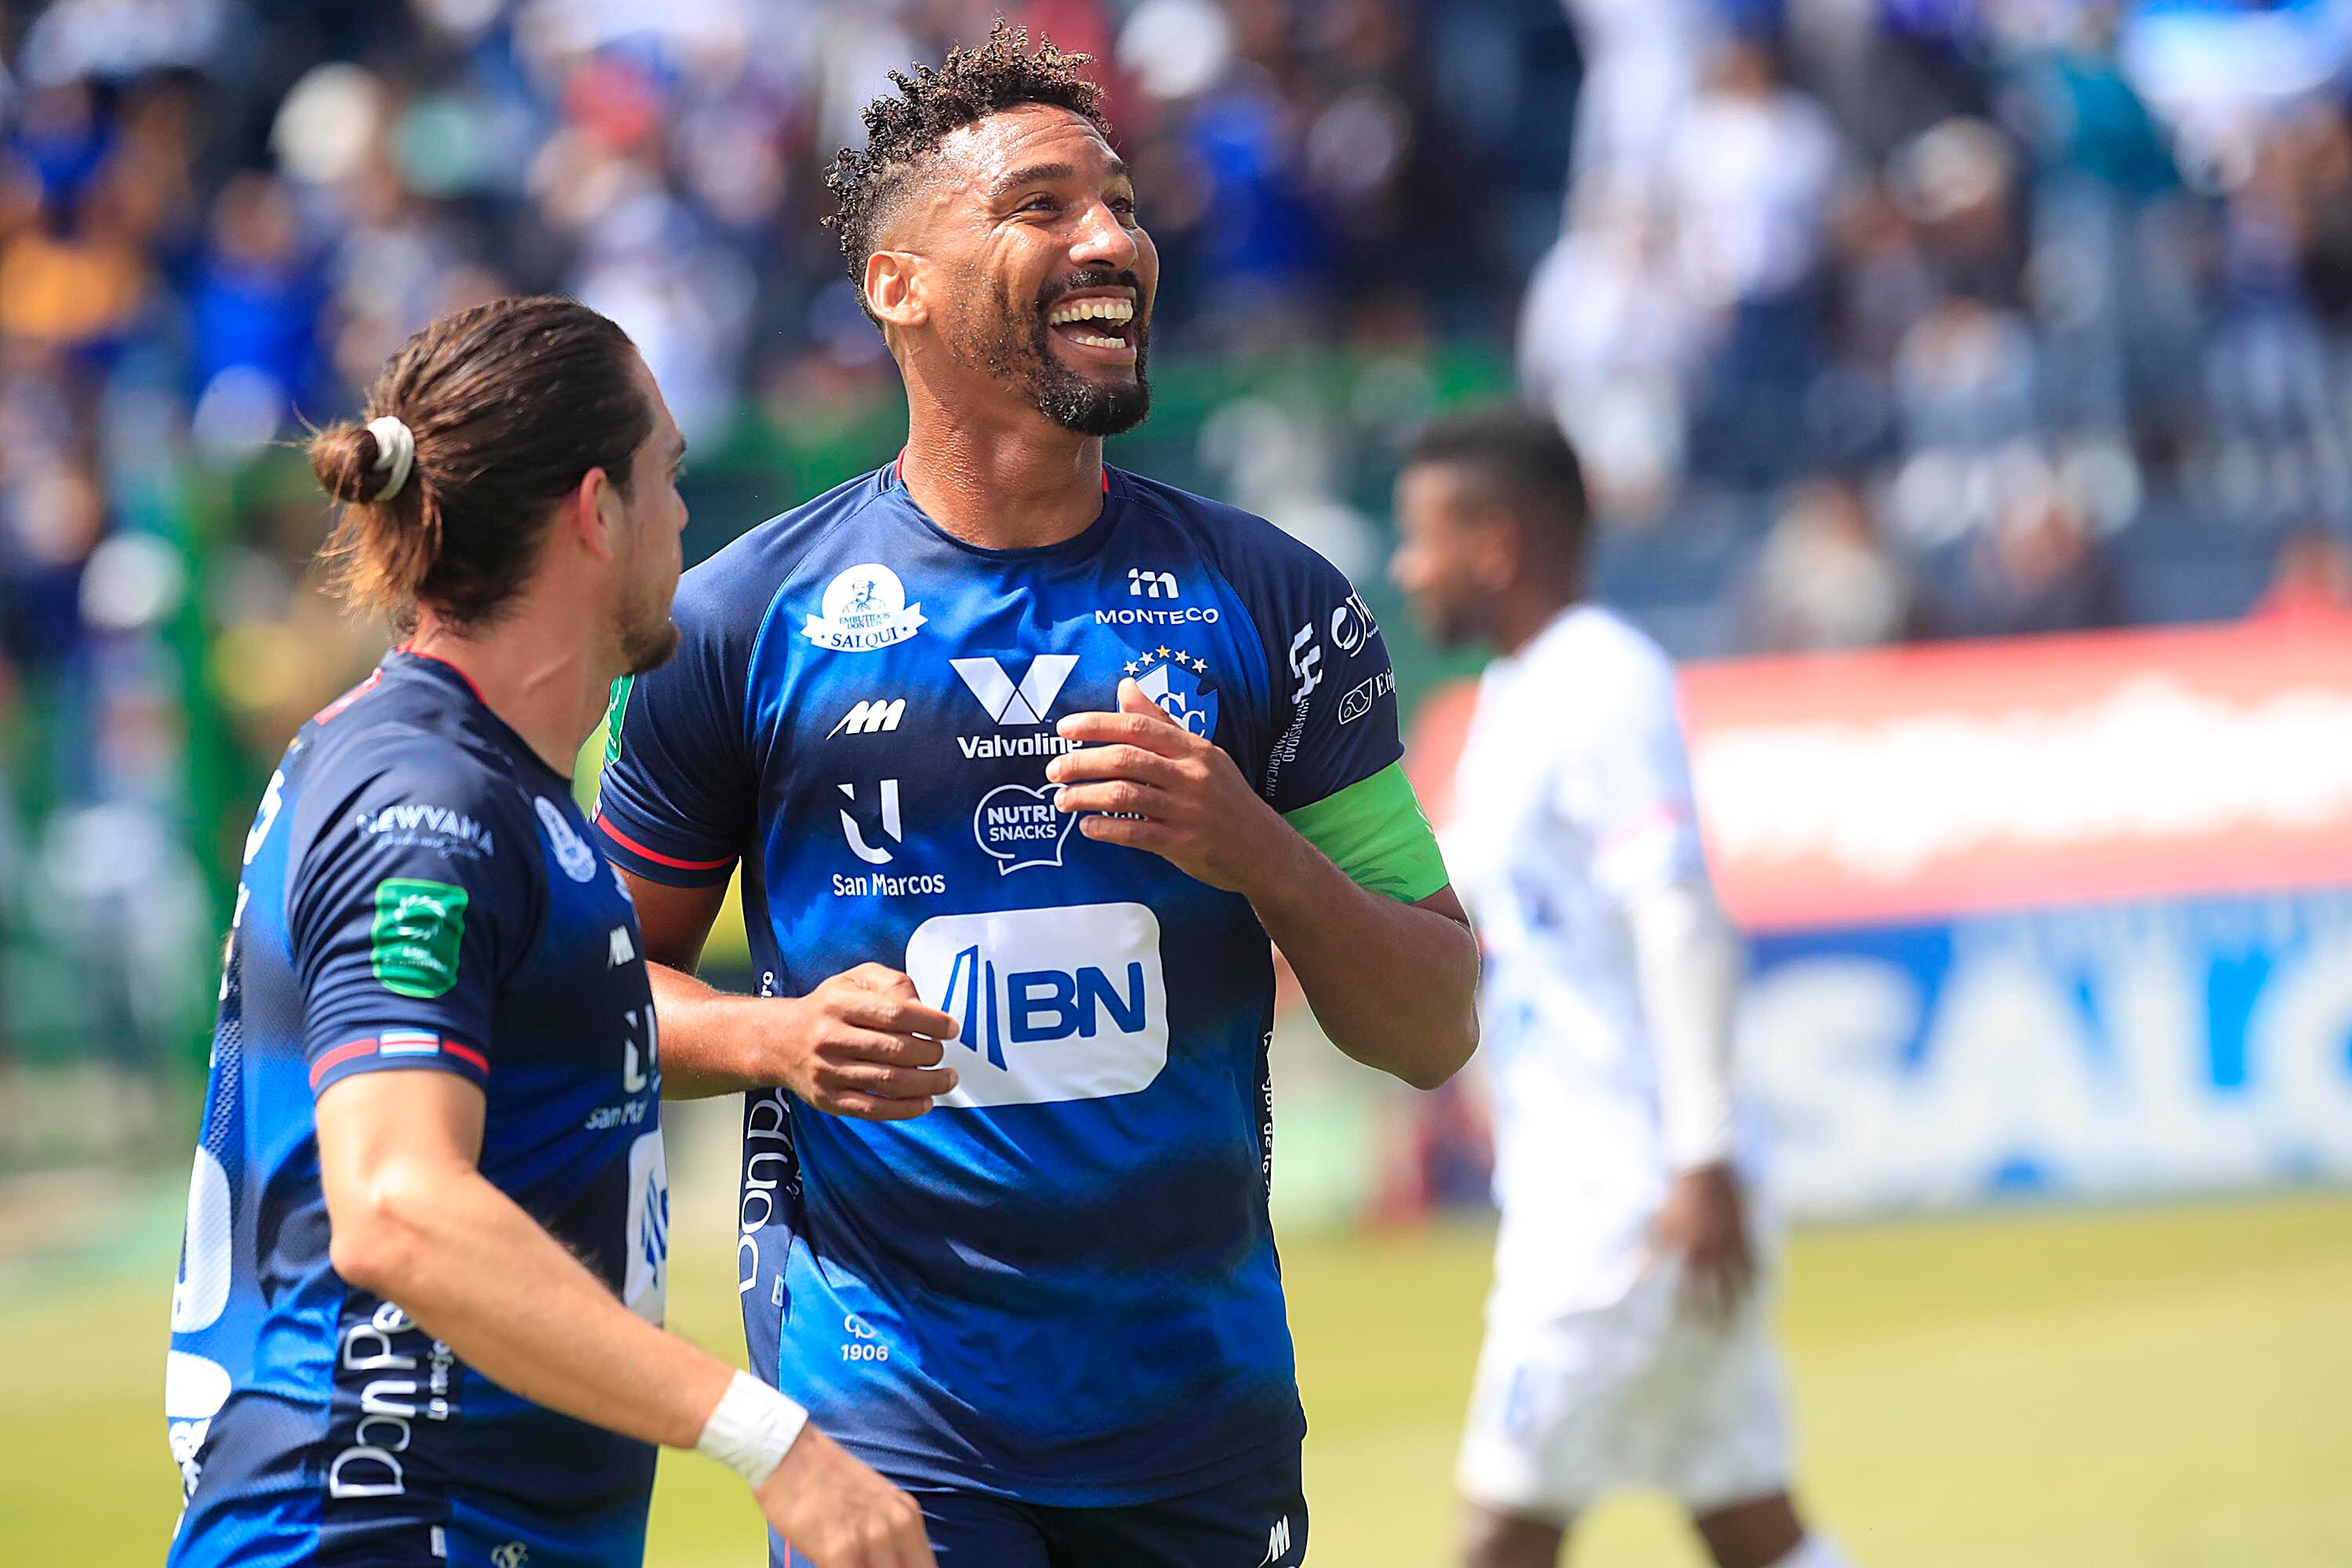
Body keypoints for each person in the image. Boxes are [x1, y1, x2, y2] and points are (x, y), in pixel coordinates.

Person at [592, 23, 1479, 1567]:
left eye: (1122, 203)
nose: (1113, 241)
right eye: (1042, 207)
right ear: (900, 286)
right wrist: (771, 1038)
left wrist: (1257, 852)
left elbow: (1435, 1023)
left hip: (1196, 1415)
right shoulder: (736, 623)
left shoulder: (1273, 602)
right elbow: (575, 993)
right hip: (885, 1413)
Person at [165, 296, 934, 1568]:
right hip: (378, 1528)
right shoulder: (422, 798)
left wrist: (776, 1036)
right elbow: (397, 1207)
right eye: (666, 475)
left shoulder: (494, 788)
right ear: (595, 511)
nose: (683, 518)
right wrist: (771, 1440)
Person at [1388, 407, 1854, 1568]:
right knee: (1751, 1525)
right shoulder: (1515, 696)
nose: (1407, 568)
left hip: (1622, 1207)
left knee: (1502, 1539)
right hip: (1618, 1189)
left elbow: (1678, 908)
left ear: (1496, 545)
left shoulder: (1602, 680)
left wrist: (1701, 1158)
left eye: (1423, 538)